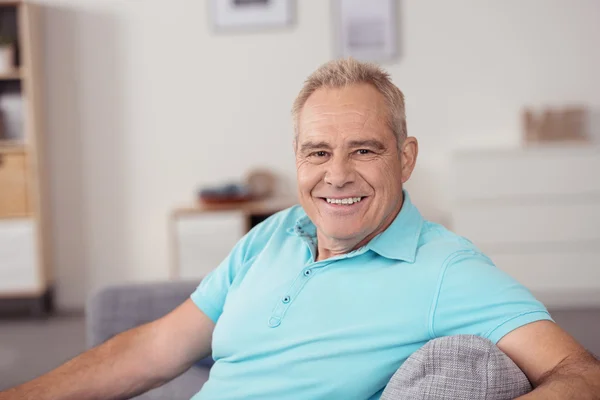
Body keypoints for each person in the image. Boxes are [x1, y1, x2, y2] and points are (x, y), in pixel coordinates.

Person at [2, 58, 599, 400]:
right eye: (316, 153)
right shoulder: (272, 235)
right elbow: (155, 349)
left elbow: (579, 374)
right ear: (296, 158)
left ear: (406, 157)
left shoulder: (444, 268)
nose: (335, 176)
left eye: (363, 150)